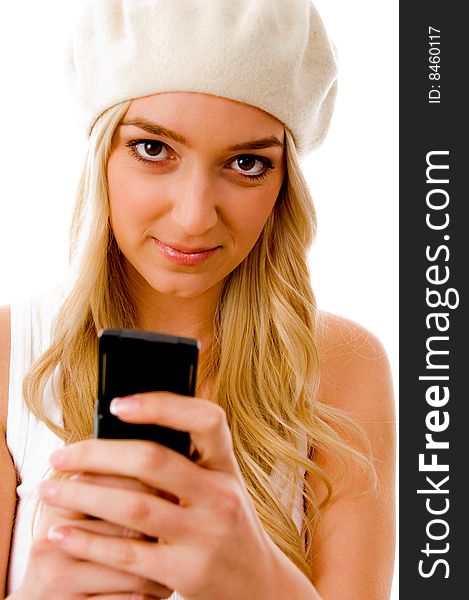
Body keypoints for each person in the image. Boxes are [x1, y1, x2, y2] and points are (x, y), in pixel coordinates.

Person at [0, 0, 395, 598]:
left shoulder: (343, 365)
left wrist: (258, 579)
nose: (192, 217)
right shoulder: (10, 355)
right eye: (154, 149)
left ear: (284, 181)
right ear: (100, 154)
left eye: (246, 163)